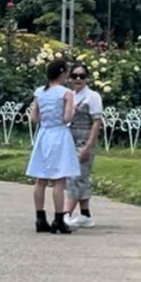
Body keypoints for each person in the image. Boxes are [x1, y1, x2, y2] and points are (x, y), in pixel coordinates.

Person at [26, 58, 81, 234]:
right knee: (59, 178)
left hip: (44, 133)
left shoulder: (40, 92)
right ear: (62, 73)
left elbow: (34, 117)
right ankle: (58, 218)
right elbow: (67, 117)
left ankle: (40, 217)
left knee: (41, 178)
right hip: (59, 134)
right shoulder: (67, 93)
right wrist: (73, 110)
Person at [63, 64, 103, 228]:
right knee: (80, 177)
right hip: (70, 137)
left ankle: (65, 213)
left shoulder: (92, 96)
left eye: (82, 76)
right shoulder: (70, 95)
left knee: (76, 176)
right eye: (74, 76)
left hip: (84, 137)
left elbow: (96, 122)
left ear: (87, 78)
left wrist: (89, 146)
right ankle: (85, 214)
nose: (78, 79)